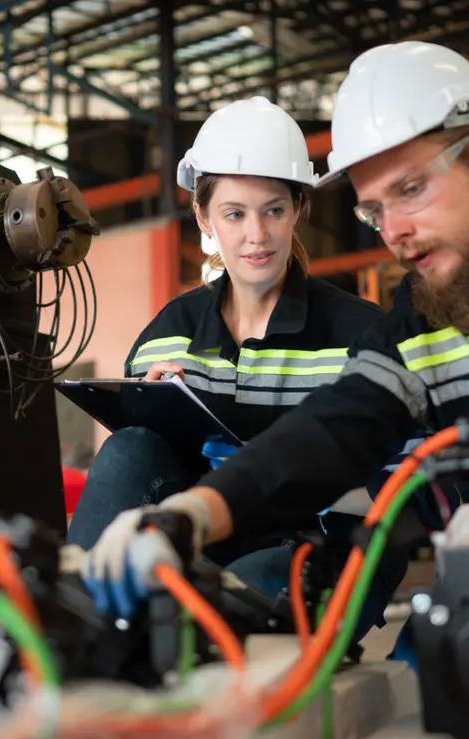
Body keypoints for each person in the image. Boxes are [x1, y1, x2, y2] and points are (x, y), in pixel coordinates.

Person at [79, 40, 469, 635]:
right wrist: (188, 517)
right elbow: (327, 435)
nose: (397, 234)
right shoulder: (416, 333)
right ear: (206, 219)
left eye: (411, 190)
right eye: (374, 212)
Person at [69, 96, 408, 618]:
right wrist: (156, 414)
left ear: (299, 208)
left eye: (274, 209)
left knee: (222, 603)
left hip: (323, 547)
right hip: (203, 540)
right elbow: (139, 474)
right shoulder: (167, 335)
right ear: (204, 217)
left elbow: (400, 498)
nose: (257, 235)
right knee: (131, 448)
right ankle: (74, 616)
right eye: (235, 213)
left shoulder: (360, 333)